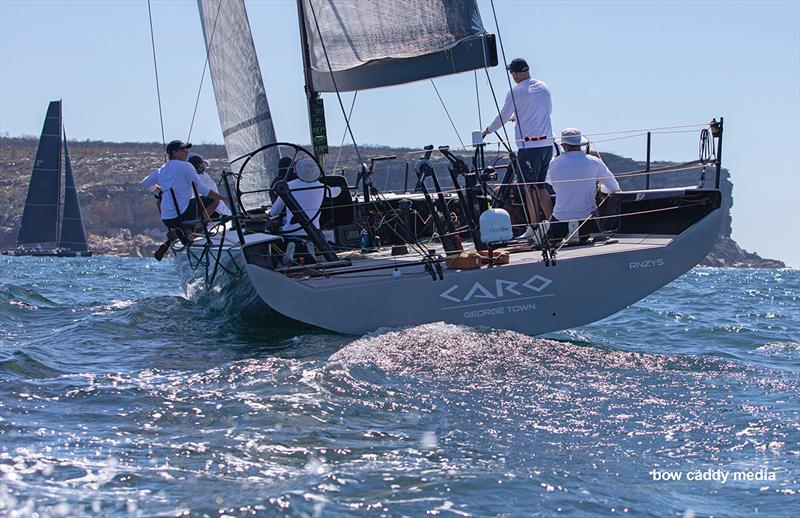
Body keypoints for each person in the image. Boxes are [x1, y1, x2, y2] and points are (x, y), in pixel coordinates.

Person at [481, 57, 554, 227]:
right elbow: (544, 111)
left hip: (529, 147)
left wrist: (487, 131)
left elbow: (503, 116)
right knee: (540, 186)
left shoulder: (516, 92)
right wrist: (519, 116)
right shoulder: (543, 87)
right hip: (546, 146)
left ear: (514, 74)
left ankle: (535, 227)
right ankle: (552, 224)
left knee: (528, 188)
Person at [140, 140, 227, 260]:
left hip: (167, 219)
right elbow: (203, 190)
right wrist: (226, 198)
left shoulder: (161, 169)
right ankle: (195, 230)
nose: (186, 152)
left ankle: (180, 234)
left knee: (181, 215)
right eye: (183, 149)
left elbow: (144, 184)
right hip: (183, 216)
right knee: (213, 200)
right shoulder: (186, 166)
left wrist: (159, 191)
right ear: (174, 153)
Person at [545, 128, 620, 240]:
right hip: (587, 220)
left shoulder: (553, 163)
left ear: (564, 145)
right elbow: (614, 188)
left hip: (560, 219)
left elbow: (549, 181)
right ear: (581, 143)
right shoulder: (594, 162)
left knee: (553, 240)